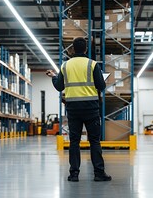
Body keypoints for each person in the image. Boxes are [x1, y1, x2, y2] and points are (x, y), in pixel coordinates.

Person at [46, 37, 112, 182]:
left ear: (73, 49)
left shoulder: (65, 66)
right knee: (94, 141)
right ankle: (99, 173)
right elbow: (101, 86)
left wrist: (54, 77)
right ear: (86, 49)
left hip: (73, 109)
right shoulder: (92, 64)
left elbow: (59, 87)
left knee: (74, 142)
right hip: (91, 109)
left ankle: (74, 174)